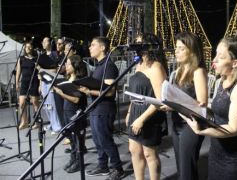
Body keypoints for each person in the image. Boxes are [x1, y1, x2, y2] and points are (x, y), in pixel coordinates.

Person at [183, 36, 237, 180]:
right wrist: (201, 108)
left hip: (235, 161)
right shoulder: (223, 80)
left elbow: (234, 128)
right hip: (217, 153)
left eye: (221, 57)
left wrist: (201, 130)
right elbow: (222, 112)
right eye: (216, 54)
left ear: (234, 63)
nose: (214, 60)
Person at [79, 36, 125, 180]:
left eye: (93, 45)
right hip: (95, 108)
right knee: (97, 140)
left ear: (103, 48)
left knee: (105, 140)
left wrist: (88, 91)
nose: (90, 47)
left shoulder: (109, 66)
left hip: (104, 109)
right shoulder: (99, 65)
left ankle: (118, 168)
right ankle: (103, 166)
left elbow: (110, 91)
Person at [165, 32, 208, 180]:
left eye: (181, 48)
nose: (176, 51)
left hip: (191, 124)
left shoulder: (198, 71)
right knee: (181, 167)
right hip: (177, 122)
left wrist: (174, 104)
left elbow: (202, 103)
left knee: (187, 169)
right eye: (176, 48)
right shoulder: (178, 71)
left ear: (192, 50)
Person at [125, 33, 168, 180]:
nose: (135, 45)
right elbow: (134, 93)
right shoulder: (138, 64)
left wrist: (141, 119)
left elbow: (160, 100)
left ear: (148, 46)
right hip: (135, 111)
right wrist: (130, 112)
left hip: (150, 113)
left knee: (149, 153)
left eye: (139, 43)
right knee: (134, 150)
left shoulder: (156, 67)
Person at [53, 55, 87, 173]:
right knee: (71, 138)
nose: (66, 66)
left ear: (75, 65)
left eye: (68, 64)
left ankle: (78, 161)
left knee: (77, 138)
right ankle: (73, 159)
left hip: (75, 112)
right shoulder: (68, 79)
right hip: (67, 110)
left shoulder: (78, 81)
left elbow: (76, 100)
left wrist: (60, 93)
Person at [39, 36, 62, 134]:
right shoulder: (42, 55)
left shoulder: (54, 54)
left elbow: (55, 70)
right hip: (44, 82)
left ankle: (57, 126)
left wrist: (43, 70)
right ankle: (52, 124)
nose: (44, 43)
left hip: (51, 82)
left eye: (46, 41)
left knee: (52, 105)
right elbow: (40, 72)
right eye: (43, 42)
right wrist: (40, 85)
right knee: (46, 105)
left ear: (50, 43)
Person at [15, 41, 40, 130]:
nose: (28, 48)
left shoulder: (36, 59)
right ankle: (24, 122)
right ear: (24, 48)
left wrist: (40, 84)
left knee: (35, 103)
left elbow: (39, 72)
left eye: (30, 47)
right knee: (21, 103)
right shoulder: (21, 59)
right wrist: (17, 83)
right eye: (26, 47)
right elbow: (18, 72)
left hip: (34, 82)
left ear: (32, 48)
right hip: (24, 83)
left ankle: (37, 122)